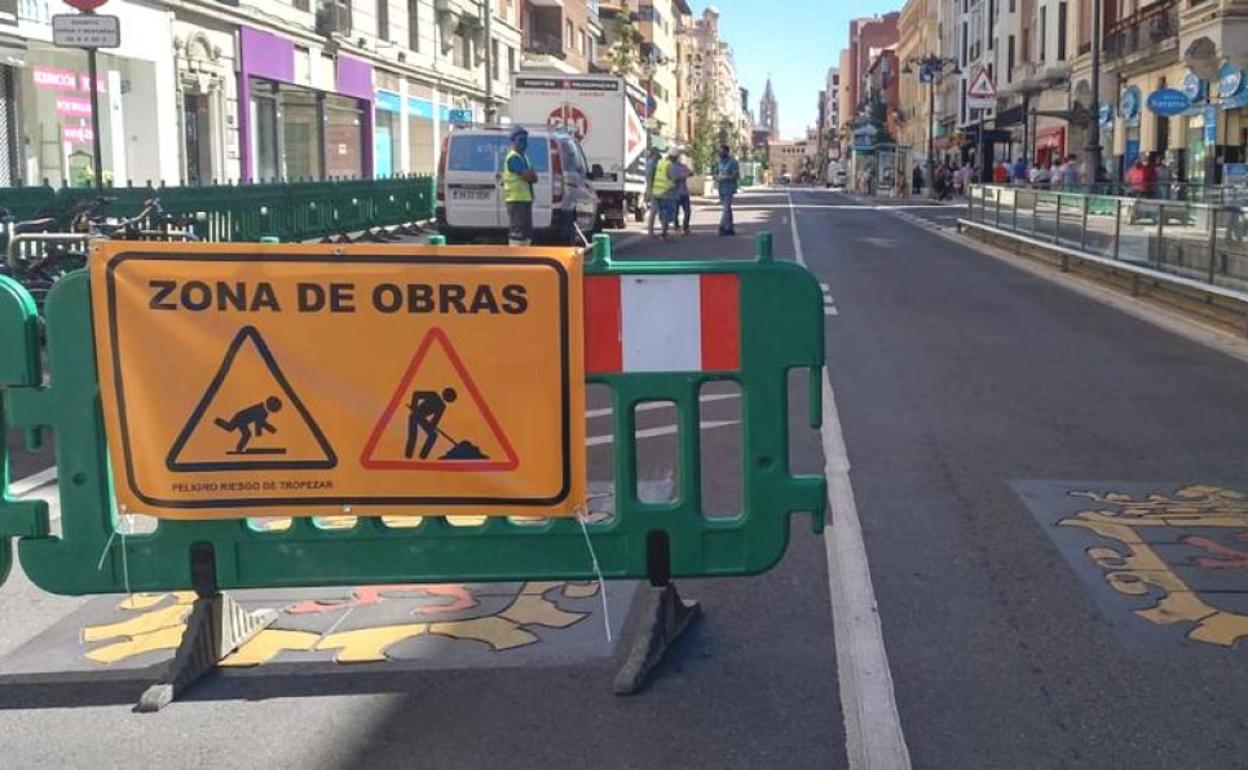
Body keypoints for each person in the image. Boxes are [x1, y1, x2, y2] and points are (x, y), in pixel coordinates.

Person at [502, 128, 538, 247]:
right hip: (516, 200)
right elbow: (529, 176)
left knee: (526, 233)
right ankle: (516, 257)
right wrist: (530, 175)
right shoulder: (514, 157)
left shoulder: (523, 157)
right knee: (518, 234)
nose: (524, 143)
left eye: (525, 140)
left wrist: (530, 175)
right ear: (512, 141)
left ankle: (525, 257)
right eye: (520, 140)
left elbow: (533, 176)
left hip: (524, 199)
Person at [214, 397, 282, 454]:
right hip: (240, 417)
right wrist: (259, 433)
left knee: (244, 433)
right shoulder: (261, 409)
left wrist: (271, 429)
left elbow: (261, 422)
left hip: (243, 421)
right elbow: (258, 422)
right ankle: (218, 421)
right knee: (231, 428)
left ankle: (239, 449)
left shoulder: (264, 411)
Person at [406, 388, 457, 460]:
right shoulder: (433, 394)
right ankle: (408, 455)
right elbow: (416, 394)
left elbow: (435, 419)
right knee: (413, 435)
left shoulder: (442, 406)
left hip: (422, 419)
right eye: (449, 396)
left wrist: (432, 426)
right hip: (415, 415)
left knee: (433, 435)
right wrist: (414, 407)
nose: (449, 398)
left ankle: (423, 456)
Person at [651, 146, 680, 238]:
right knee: (668, 212)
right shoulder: (670, 165)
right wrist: (680, 177)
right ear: (674, 157)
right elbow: (673, 178)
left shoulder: (660, 163)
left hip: (657, 192)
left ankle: (664, 232)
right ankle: (664, 232)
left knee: (663, 212)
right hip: (667, 192)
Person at [714, 144, 740, 236]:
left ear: (726, 152)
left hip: (729, 188)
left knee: (726, 208)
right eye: (719, 151)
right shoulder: (720, 162)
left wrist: (725, 177)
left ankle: (722, 226)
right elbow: (715, 172)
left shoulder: (733, 162)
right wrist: (717, 177)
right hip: (721, 188)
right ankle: (730, 228)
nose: (720, 153)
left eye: (722, 151)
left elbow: (736, 175)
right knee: (727, 209)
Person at [671, 149, 693, 235]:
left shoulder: (683, 166)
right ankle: (676, 228)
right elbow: (673, 179)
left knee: (687, 211)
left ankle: (685, 227)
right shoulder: (671, 167)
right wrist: (682, 176)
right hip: (675, 192)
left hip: (684, 192)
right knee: (675, 212)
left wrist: (687, 173)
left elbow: (691, 172)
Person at [643, 147, 662, 236]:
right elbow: (650, 178)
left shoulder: (651, 164)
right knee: (654, 210)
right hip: (655, 190)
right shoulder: (652, 164)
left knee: (656, 210)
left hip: (656, 189)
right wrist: (650, 190)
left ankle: (654, 230)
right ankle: (651, 230)